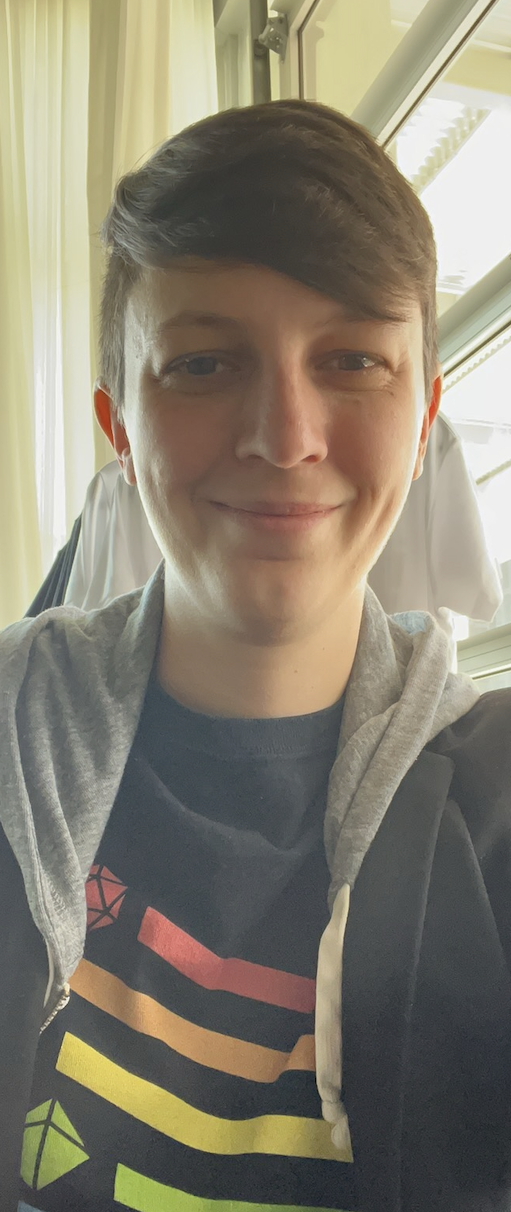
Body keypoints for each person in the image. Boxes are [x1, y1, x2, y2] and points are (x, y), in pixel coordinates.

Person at [1, 100, 510, 1212]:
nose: (285, 438)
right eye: (202, 364)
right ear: (118, 429)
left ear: (423, 420)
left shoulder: (498, 804)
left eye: (351, 360)